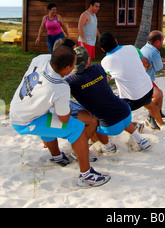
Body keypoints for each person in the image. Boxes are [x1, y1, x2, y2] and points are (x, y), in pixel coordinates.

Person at [10, 46, 110, 188]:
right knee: (77, 129)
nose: (74, 67)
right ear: (67, 67)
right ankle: (86, 175)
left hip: (19, 108)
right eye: (74, 64)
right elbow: (64, 118)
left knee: (48, 119)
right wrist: (69, 111)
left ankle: (57, 157)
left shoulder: (41, 59)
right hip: (26, 121)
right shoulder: (59, 86)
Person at [66, 47, 151, 152]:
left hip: (110, 126)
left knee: (95, 123)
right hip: (126, 112)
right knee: (117, 111)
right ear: (88, 60)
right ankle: (141, 140)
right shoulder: (98, 68)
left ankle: (109, 147)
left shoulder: (70, 81)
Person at [99, 32, 165, 129]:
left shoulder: (105, 62)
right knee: (148, 102)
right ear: (116, 40)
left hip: (132, 100)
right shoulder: (132, 48)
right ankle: (161, 123)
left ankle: (135, 126)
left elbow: (106, 78)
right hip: (148, 90)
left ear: (102, 49)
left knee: (113, 111)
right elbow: (146, 64)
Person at [141, 31, 165, 130]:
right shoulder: (153, 52)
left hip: (145, 78)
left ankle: (158, 112)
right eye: (162, 40)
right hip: (144, 80)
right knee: (158, 95)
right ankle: (151, 117)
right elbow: (160, 68)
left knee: (159, 94)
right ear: (158, 42)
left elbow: (157, 59)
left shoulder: (147, 47)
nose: (163, 42)